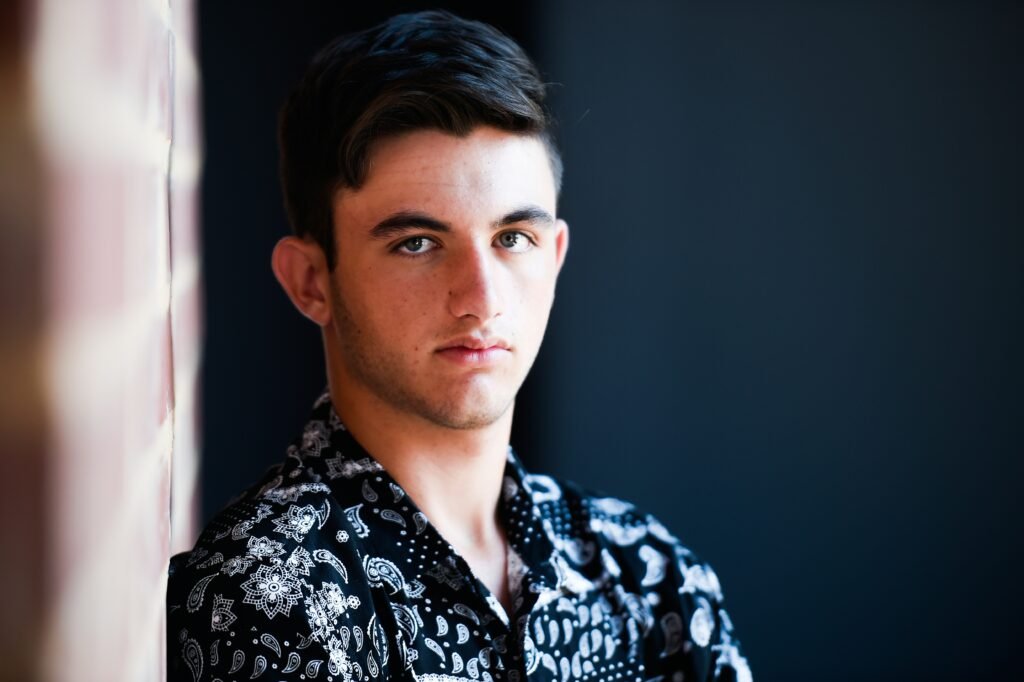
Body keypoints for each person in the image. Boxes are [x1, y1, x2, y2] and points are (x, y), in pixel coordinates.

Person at [167, 10, 751, 682]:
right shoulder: (260, 599)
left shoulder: (649, 579)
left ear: (555, 258)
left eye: (513, 239)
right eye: (417, 244)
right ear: (311, 281)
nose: (480, 296)